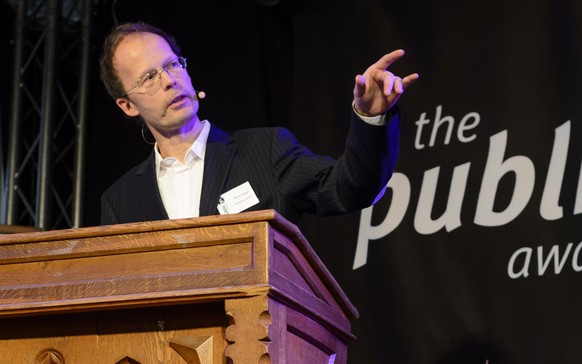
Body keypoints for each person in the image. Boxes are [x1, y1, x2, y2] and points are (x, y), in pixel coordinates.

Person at [99, 22, 418, 225]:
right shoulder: (121, 200)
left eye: (172, 65)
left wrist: (370, 118)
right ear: (127, 106)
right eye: (149, 77)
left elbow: (351, 188)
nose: (169, 81)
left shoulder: (263, 151)